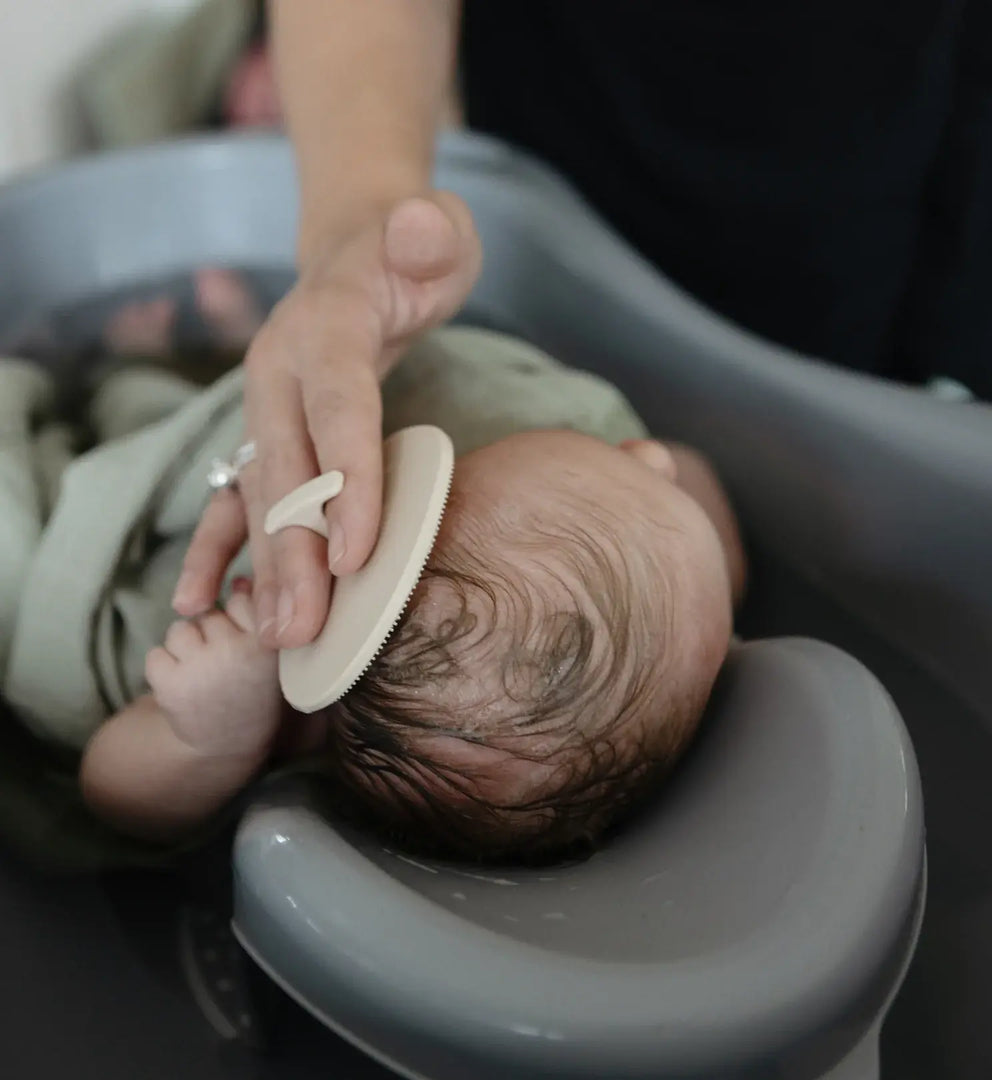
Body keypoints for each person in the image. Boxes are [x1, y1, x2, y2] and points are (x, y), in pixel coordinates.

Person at [176, 0, 992, 676]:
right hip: (605, 144)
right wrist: (354, 229)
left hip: (982, 96)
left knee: (946, 472)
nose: (651, 461)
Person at [0, 276, 743, 865]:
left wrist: (208, 740)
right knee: (239, 409)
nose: (646, 454)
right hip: (226, 447)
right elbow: (691, 488)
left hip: (146, 552)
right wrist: (687, 516)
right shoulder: (686, 621)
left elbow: (113, 796)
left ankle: (129, 365)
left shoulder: (283, 712)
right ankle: (182, 355)